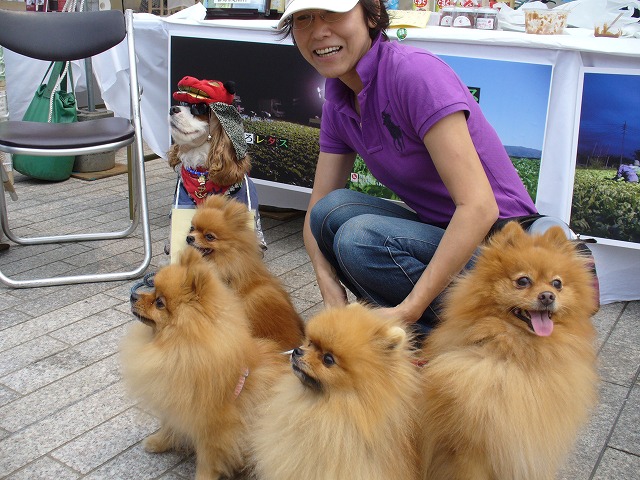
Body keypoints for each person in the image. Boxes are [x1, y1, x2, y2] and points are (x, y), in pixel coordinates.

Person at [277, 0, 538, 337]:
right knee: (330, 212)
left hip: (504, 250)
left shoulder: (415, 74)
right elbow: (318, 202)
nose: (319, 31)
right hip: (440, 235)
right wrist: (328, 287)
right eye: (304, 18)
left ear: (372, 14)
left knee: (360, 239)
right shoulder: (339, 100)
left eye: (334, 13)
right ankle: (414, 329)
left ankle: (465, 334)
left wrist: (409, 310)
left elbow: (479, 208)